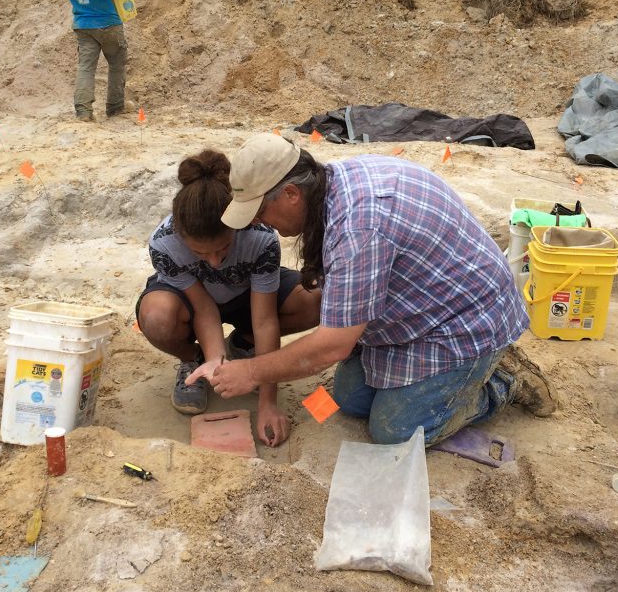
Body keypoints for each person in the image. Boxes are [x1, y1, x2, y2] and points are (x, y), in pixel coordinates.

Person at [188, 133, 557, 446]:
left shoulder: (358, 231)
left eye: (259, 211)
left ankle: (501, 383)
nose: (257, 222)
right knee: (350, 400)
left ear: (290, 194)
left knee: (393, 431)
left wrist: (251, 372)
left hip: (465, 322)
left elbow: (332, 345)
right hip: (419, 306)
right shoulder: (330, 184)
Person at [135, 149, 321, 447]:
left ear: (236, 228)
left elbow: (264, 319)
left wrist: (267, 403)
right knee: (157, 317)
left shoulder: (259, 237)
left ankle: (243, 345)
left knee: (315, 299)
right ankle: (191, 359)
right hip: (191, 302)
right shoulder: (164, 242)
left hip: (245, 295)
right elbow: (204, 307)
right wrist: (214, 361)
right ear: (182, 237)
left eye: (223, 249)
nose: (214, 263)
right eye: (199, 254)